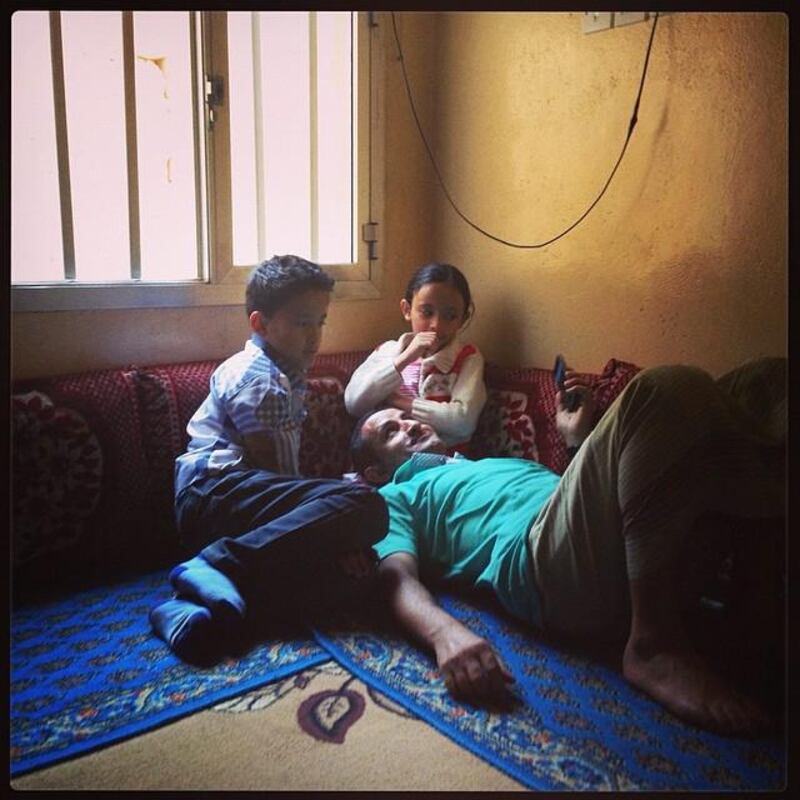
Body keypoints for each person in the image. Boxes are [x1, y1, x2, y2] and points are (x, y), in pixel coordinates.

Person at [350, 358, 786, 736]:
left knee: (767, 381)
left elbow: (591, 498)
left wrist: (577, 440)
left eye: (405, 418)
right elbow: (394, 575)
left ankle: (756, 597)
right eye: (390, 431)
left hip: (644, 546)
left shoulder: (484, 463)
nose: (408, 423)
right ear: (373, 472)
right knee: (661, 388)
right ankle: (653, 643)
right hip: (543, 566)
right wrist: (446, 635)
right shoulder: (394, 496)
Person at [150, 255, 388, 664]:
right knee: (366, 504)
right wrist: (334, 532)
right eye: (301, 322)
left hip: (234, 512)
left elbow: (283, 492)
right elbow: (276, 474)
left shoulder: (286, 374)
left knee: (361, 571)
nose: (314, 336)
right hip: (215, 496)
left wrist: (334, 539)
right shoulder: (261, 380)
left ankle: (190, 612)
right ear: (260, 323)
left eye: (321, 321)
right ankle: (216, 564)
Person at [344, 262, 487, 450]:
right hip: (387, 464)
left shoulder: (468, 358)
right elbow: (354, 404)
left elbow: (462, 421)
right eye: (427, 312)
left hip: (442, 464)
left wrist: (398, 401)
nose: (436, 324)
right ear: (406, 310)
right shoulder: (387, 351)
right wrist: (405, 359)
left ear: (463, 319)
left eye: (450, 316)